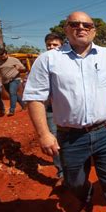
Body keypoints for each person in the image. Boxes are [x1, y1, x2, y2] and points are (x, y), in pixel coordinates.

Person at [23, 11, 106, 212]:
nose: (81, 28)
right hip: (70, 136)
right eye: (75, 24)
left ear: (93, 30)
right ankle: (86, 195)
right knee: (74, 182)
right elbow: (35, 97)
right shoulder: (48, 59)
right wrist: (45, 134)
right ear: (66, 29)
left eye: (87, 24)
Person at [43, 33, 64, 183]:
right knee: (54, 140)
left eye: (55, 45)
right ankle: (61, 173)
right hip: (50, 108)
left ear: (62, 45)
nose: (51, 48)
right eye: (49, 45)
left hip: (69, 110)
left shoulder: (70, 61)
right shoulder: (42, 62)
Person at [0, 48, 26, 116]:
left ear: (7, 54)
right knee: (14, 94)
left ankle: (12, 110)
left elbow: (23, 68)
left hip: (15, 78)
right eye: (0, 56)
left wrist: (19, 68)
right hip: (5, 81)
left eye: (3, 56)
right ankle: (24, 105)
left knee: (12, 93)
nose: (2, 58)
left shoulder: (14, 60)